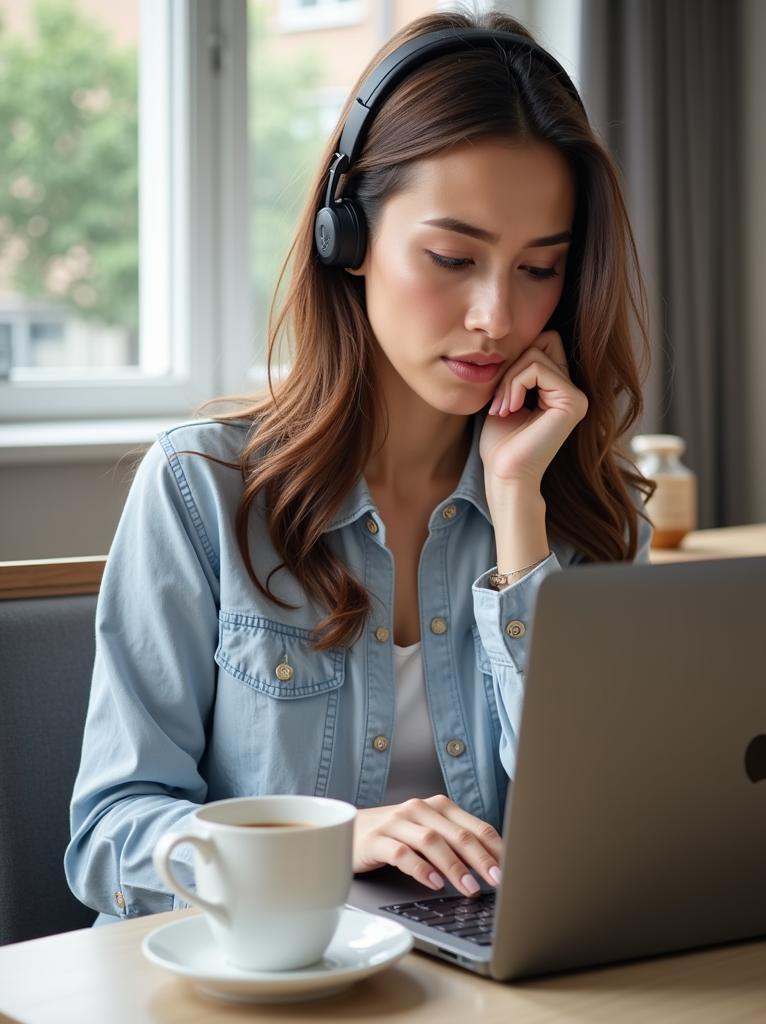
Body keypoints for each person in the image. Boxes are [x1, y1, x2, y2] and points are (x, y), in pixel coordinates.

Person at [65, 6, 654, 925]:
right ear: (351, 240)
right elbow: (110, 837)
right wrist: (331, 843)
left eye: (541, 268)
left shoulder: (584, 510)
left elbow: (605, 828)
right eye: (453, 257)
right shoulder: (202, 489)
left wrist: (517, 511)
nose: (498, 317)